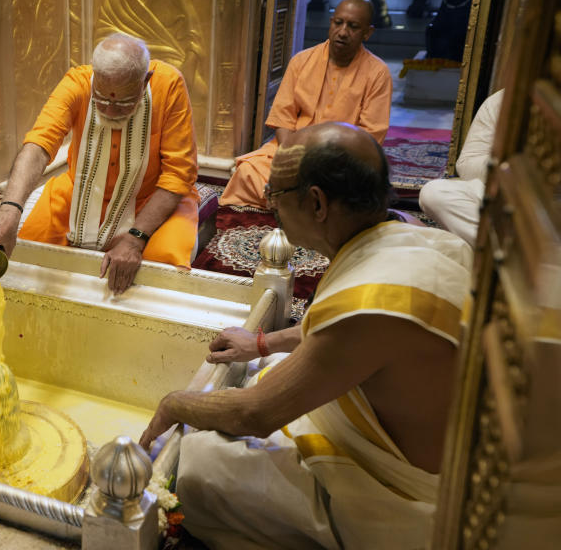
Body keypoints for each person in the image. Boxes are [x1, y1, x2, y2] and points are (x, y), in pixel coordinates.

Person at [140, 122, 472, 549]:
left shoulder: (373, 300)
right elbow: (338, 338)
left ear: (316, 203)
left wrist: (174, 404)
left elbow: (254, 415)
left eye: (275, 194)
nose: (269, 206)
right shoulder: (417, 236)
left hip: (406, 508)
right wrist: (261, 343)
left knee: (194, 464)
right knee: (268, 366)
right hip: (434, 451)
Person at [0, 33, 199, 295]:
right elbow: (39, 144)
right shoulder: (78, 82)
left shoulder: (169, 84)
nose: (109, 111)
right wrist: (8, 210)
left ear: (145, 82)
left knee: (162, 275)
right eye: (102, 100)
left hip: (150, 199)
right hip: (79, 193)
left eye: (123, 104)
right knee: (28, 257)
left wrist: (135, 239)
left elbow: (178, 174)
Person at [220, 0, 393, 209]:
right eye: (338, 23)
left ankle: (284, 199)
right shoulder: (301, 61)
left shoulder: (377, 73)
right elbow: (284, 120)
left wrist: (324, 164)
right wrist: (292, 158)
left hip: (342, 161)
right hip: (294, 152)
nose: (342, 32)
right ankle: (300, 204)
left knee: (347, 188)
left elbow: (370, 136)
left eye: (353, 26)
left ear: (367, 33)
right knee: (248, 171)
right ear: (331, 23)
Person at [419, 89, 503, 246]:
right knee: (434, 193)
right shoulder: (501, 101)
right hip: (502, 195)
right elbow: (466, 164)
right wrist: (506, 164)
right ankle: (505, 254)